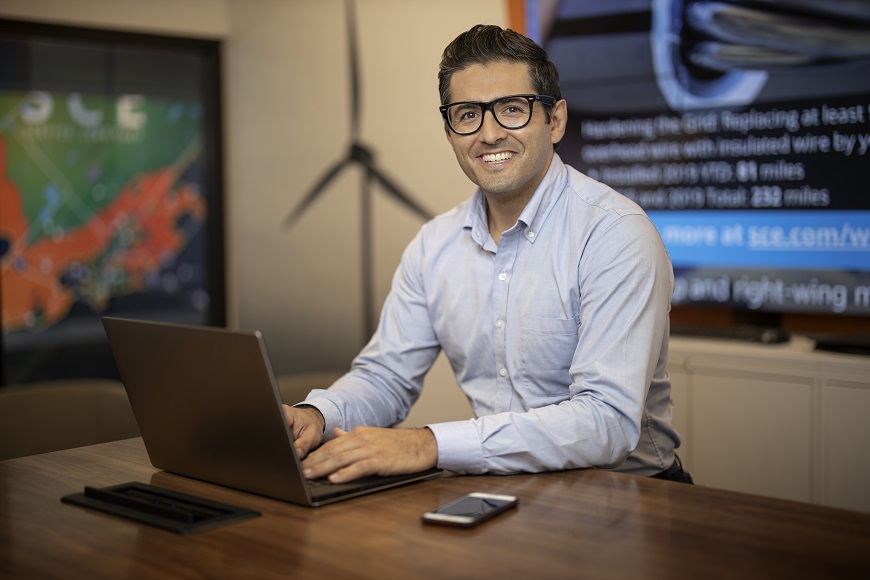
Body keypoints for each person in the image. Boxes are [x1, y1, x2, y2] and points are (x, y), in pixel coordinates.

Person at [284, 24, 691, 484]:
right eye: (467, 115)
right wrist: (317, 414)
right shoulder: (433, 245)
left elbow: (606, 422)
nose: (489, 134)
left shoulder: (616, 234)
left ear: (554, 121)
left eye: (512, 110)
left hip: (633, 497)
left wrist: (429, 444)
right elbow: (386, 377)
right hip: (502, 491)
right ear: (450, 131)